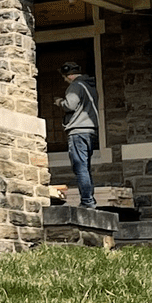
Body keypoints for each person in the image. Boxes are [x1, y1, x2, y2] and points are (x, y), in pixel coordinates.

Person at [55, 61, 99, 208]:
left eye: (64, 77)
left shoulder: (75, 86)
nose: (64, 80)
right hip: (90, 131)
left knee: (80, 167)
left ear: (69, 75)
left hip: (78, 131)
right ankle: (89, 199)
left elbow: (70, 105)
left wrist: (60, 102)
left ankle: (87, 202)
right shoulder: (90, 86)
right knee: (85, 167)